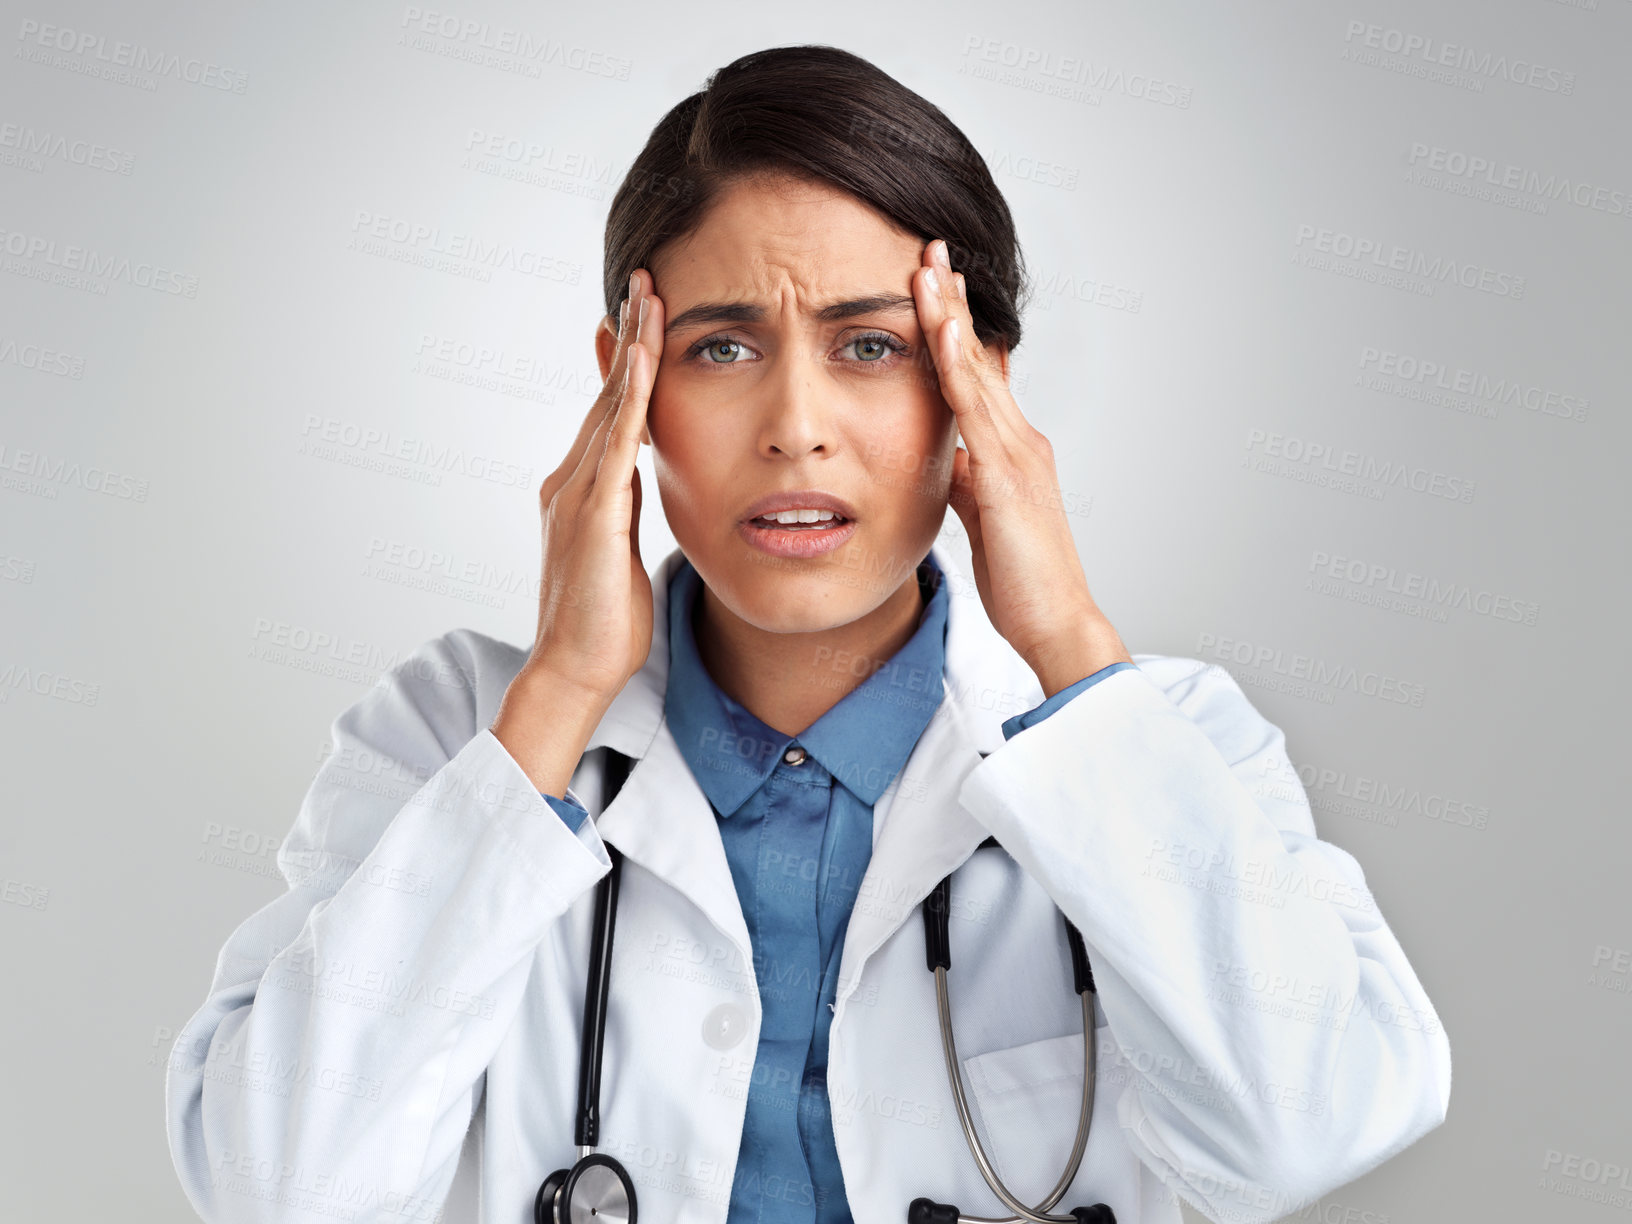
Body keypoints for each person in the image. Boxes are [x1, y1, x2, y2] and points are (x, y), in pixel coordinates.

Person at [164, 45, 1451, 1224]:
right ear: (628, 385)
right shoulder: (461, 735)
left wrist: (1064, 636)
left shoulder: (1169, 743)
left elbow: (1309, 1129)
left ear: (979, 384)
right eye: (722, 348)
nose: (795, 425)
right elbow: (280, 1187)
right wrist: (559, 692)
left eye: (872, 345)